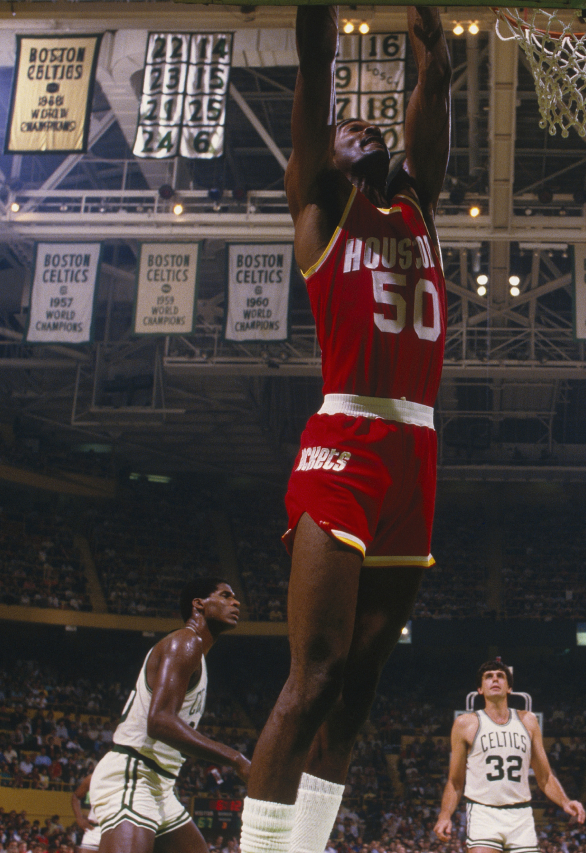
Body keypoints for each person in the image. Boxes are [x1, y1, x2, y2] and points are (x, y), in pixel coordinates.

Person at [239, 6, 451, 853]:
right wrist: (320, 19)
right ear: (322, 158)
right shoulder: (320, 214)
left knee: (359, 684)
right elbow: (317, 63)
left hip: (418, 453)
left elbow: (434, 93)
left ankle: (305, 845)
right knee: (316, 672)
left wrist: (434, 55)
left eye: (374, 123)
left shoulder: (418, 210)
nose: (358, 125)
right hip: (346, 444)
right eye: (345, 126)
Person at [90, 578, 248, 853]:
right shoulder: (185, 641)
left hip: (159, 785)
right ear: (198, 604)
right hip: (133, 775)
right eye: (225, 595)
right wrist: (236, 759)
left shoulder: (195, 652)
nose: (235, 602)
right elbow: (160, 722)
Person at [433, 661, 586, 848]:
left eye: (500, 676)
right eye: (488, 676)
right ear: (480, 689)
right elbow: (455, 782)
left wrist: (566, 801)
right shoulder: (465, 724)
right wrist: (444, 815)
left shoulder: (528, 721)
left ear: (509, 688)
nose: (495, 679)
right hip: (483, 813)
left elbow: (545, 777)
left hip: (520, 815)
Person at [71, 774, 98, 852]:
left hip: (119, 829)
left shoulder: (131, 775)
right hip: (95, 828)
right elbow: (76, 796)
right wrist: (79, 819)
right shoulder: (96, 775)